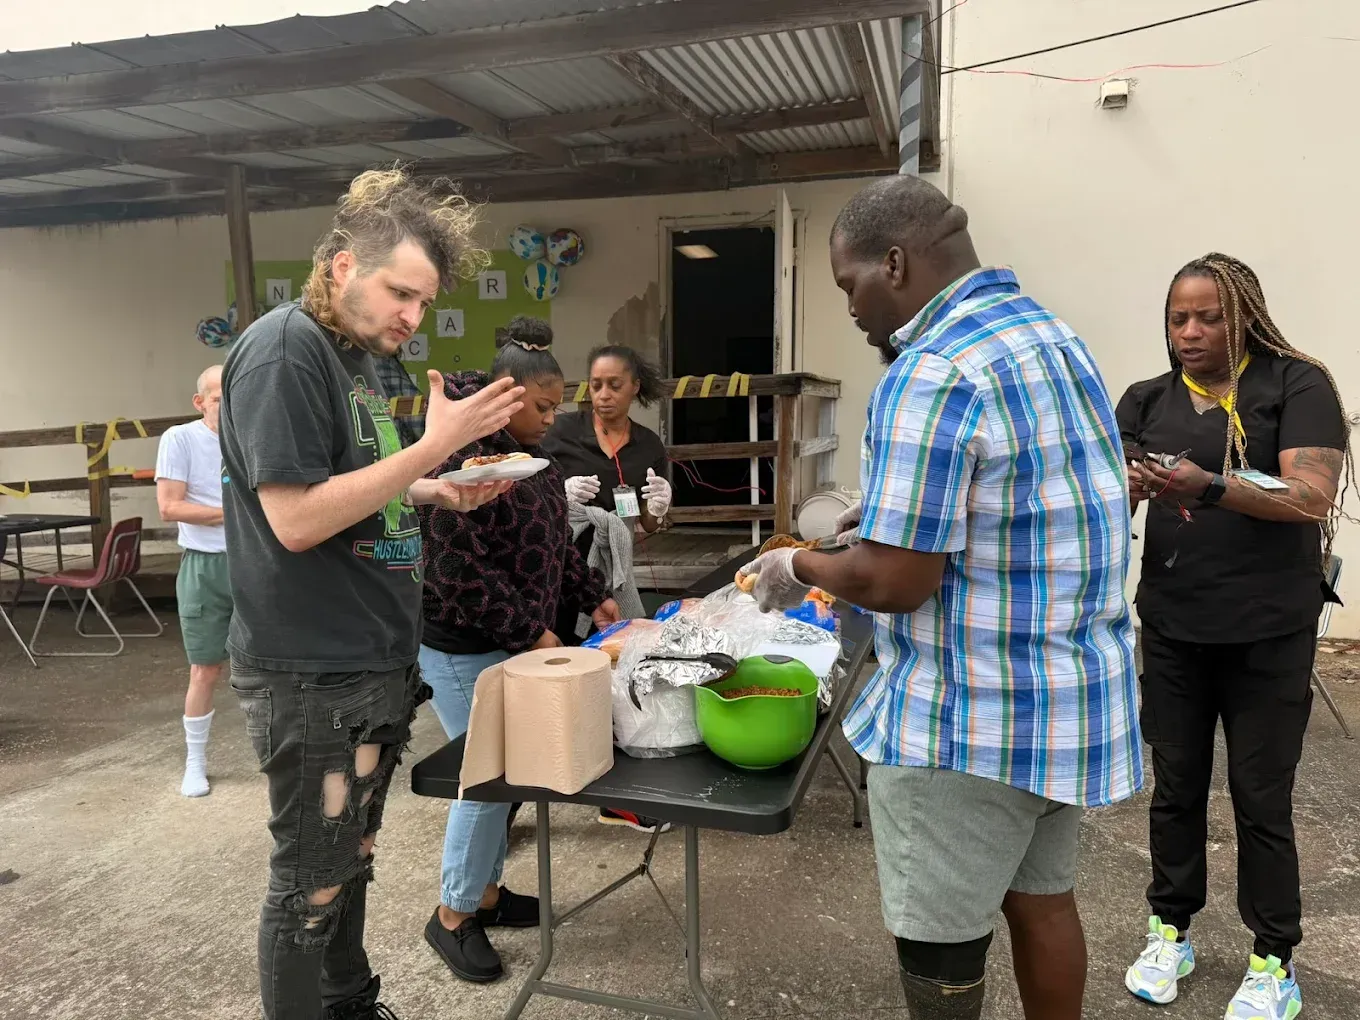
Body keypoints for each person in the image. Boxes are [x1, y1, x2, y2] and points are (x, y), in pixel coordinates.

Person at [740, 175, 1142, 1020]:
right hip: (1064, 702)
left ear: (893, 263)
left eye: (849, 283)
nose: (849, 306)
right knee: (1044, 903)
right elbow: (1026, 494)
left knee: (943, 942)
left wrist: (800, 567)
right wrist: (881, 512)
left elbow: (895, 579)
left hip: (968, 722)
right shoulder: (1051, 337)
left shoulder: (931, 367)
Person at [219, 167, 524, 1020]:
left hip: (372, 661)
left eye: (424, 304)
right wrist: (431, 451)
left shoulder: (366, 360)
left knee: (351, 854)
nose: (411, 318)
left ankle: (351, 1005)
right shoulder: (286, 351)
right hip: (311, 671)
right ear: (344, 265)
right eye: (402, 293)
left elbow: (356, 484)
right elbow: (294, 519)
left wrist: (436, 489)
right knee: (312, 881)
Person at [1117, 253, 1350, 1019]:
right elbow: (1102, 493)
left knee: (1261, 798)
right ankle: (1170, 929)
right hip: (1176, 628)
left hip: (1268, 634)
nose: (1190, 331)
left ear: (1243, 313)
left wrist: (1210, 485)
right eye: (1178, 317)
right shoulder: (1147, 399)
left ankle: (1274, 959)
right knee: (1176, 790)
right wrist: (1122, 484)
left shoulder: (1294, 384)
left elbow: (1312, 496)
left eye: (1209, 316)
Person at [418, 316, 621, 984]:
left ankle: (484, 894)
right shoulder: (460, 462)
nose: (550, 417)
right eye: (540, 406)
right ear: (506, 399)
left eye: (556, 406)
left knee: (508, 778)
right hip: (463, 647)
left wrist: (592, 592)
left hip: (513, 644)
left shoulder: (534, 461)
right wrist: (531, 633)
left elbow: (552, 545)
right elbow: (458, 576)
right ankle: (452, 915)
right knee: (486, 781)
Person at [540, 344, 673, 834]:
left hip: (607, 572)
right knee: (553, 674)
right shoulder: (560, 432)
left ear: (635, 386)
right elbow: (528, 491)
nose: (602, 395)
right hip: (553, 569)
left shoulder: (647, 446)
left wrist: (659, 508)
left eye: (614, 385)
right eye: (595, 385)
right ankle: (505, 804)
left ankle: (612, 795)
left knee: (608, 674)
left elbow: (651, 523)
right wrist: (559, 496)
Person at [155, 364, 231, 798]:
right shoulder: (180, 438)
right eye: (219, 398)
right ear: (200, 401)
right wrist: (237, 516)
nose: (228, 405)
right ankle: (195, 762)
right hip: (206, 564)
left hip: (258, 562)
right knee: (205, 668)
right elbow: (169, 506)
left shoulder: (255, 435)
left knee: (274, 666)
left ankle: (280, 757)